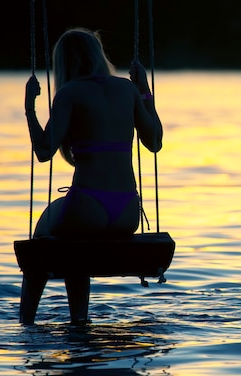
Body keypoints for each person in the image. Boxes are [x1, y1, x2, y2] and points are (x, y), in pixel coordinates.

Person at [20, 27, 163, 324]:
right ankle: (78, 320)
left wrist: (30, 109)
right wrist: (144, 90)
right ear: (97, 55)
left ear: (64, 63)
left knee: (41, 232)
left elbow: (45, 151)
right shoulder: (127, 89)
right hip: (127, 211)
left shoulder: (69, 93)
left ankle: (28, 322)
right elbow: (155, 142)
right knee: (76, 247)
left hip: (87, 207)